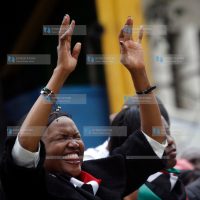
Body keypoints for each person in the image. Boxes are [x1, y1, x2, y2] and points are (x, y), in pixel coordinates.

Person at [0, 15, 167, 200]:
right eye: (62, 138)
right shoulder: (31, 187)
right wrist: (60, 73)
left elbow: (153, 141)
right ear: (39, 150)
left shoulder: (101, 176)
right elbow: (24, 147)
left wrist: (139, 72)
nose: (74, 143)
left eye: (76, 136)